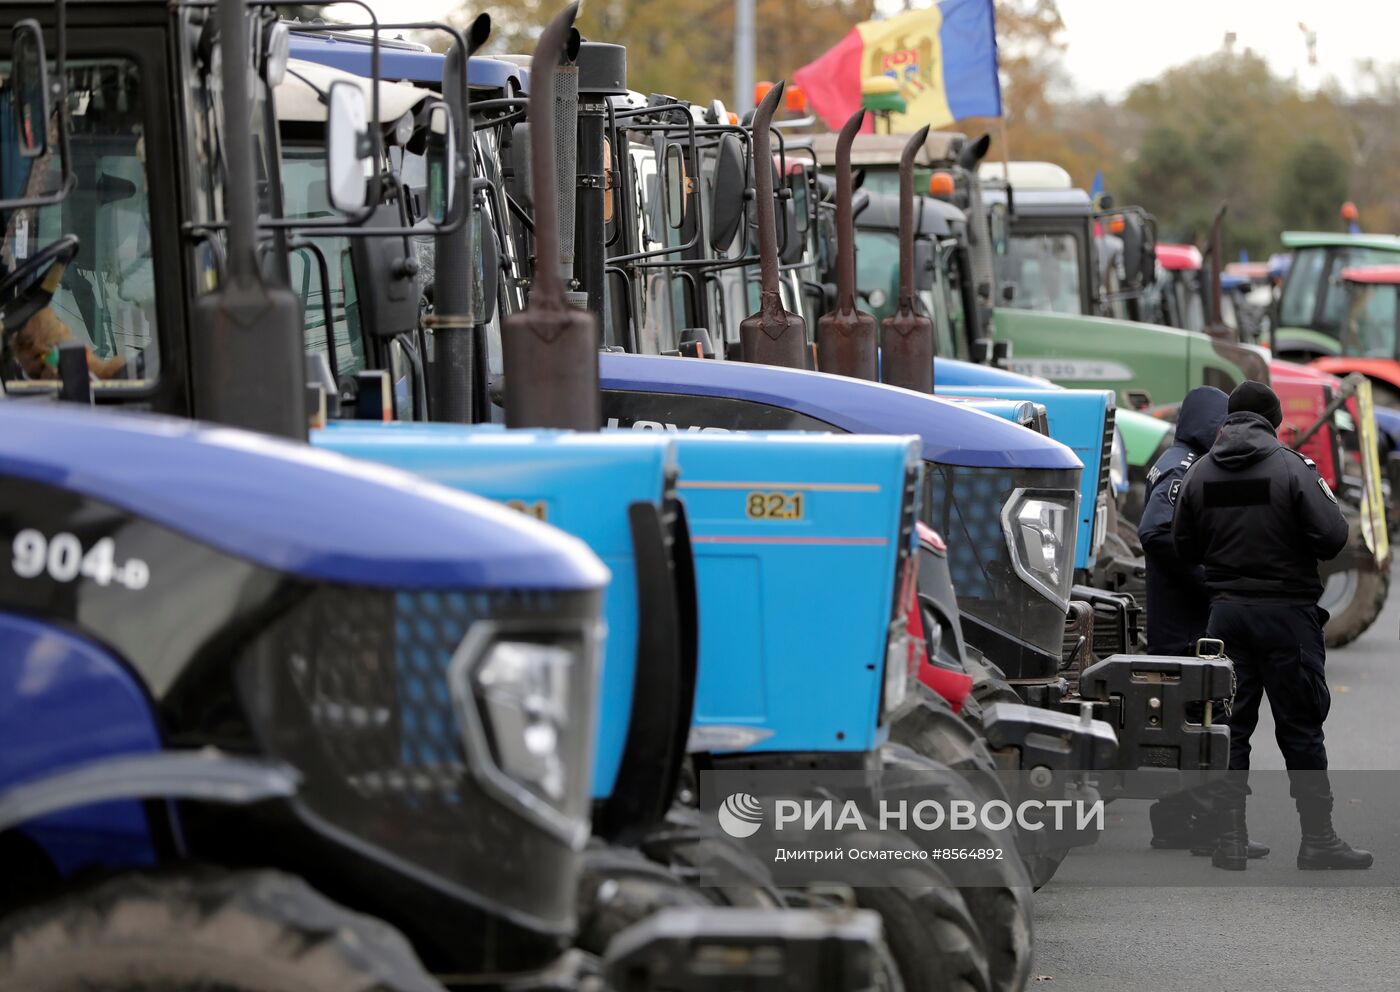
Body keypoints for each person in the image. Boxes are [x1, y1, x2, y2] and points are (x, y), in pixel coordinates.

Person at [1173, 381, 1371, 871]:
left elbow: (1183, 547)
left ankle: (1230, 841)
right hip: (1287, 618)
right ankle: (1318, 840)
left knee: (1228, 728)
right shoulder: (1292, 468)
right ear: (1273, 421)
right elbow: (1333, 536)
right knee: (1301, 727)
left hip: (1225, 618)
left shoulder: (1198, 473)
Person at [1136, 386, 1261, 855]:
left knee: (1180, 724)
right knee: (1204, 721)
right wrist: (1207, 577)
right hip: (1185, 624)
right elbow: (1155, 530)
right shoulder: (1183, 467)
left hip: (1179, 620)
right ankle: (1210, 828)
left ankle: (1172, 823)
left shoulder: (1181, 461)